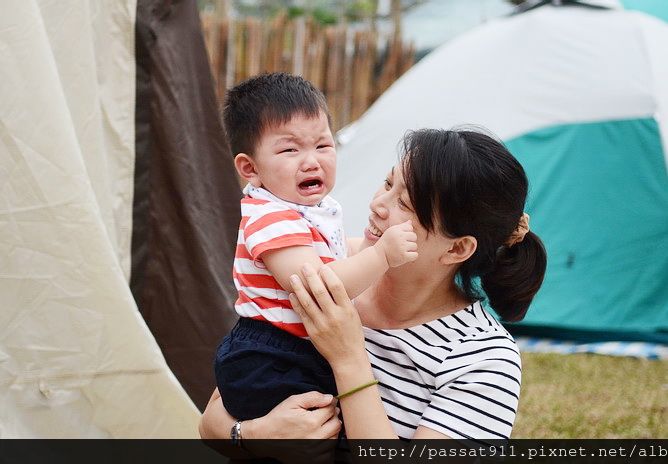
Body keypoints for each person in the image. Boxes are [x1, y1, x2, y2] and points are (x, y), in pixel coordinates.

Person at [201, 127, 546, 459]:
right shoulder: (328, 272)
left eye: (406, 204)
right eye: (387, 183)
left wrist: (348, 357)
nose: (378, 205)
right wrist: (253, 435)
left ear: (457, 250)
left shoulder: (482, 358)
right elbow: (211, 421)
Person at [216, 72, 418, 424]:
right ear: (250, 168)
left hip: (296, 349)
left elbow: (333, 252)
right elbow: (321, 287)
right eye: (290, 149)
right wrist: (381, 255)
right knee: (309, 432)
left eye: (322, 145)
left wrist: (367, 245)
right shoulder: (270, 217)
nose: (311, 161)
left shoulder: (303, 210)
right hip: (271, 355)